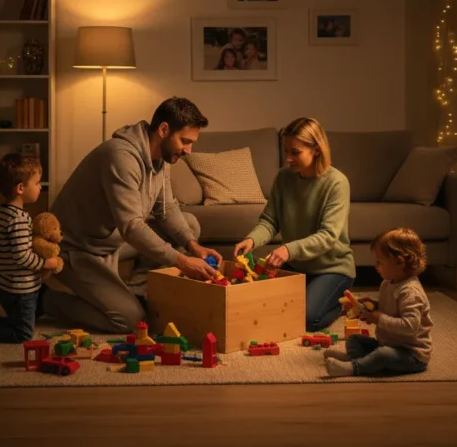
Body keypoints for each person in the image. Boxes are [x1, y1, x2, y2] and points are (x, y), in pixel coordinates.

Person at [41, 97, 220, 334]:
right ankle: (45, 300)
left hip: (113, 243)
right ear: (164, 130)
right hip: (77, 248)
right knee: (129, 321)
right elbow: (132, 227)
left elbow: (166, 209)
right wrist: (183, 262)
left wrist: (193, 246)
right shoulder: (121, 156)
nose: (189, 150)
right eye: (185, 141)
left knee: (189, 225)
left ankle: (136, 292)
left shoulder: (162, 158)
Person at [233, 117, 355, 332]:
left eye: (295, 152)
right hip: (296, 266)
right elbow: (270, 221)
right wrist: (251, 240)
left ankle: (342, 304)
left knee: (307, 320)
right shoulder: (283, 178)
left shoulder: (337, 183)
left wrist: (288, 250)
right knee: (258, 306)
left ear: (316, 149)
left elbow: (328, 236)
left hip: (332, 268)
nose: (288, 158)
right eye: (286, 151)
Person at [0, 154, 63, 342]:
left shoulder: (6, 212)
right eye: (37, 183)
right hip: (18, 289)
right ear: (20, 188)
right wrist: (46, 263)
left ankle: (29, 311)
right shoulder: (17, 220)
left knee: (32, 310)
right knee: (22, 333)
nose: (40, 187)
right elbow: (22, 257)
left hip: (9, 283)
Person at [324, 228, 432, 377]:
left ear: (399, 262)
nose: (376, 266)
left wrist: (379, 318)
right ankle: (359, 361)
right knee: (354, 339)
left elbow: (410, 327)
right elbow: (391, 308)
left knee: (383, 354)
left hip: (411, 354)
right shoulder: (387, 283)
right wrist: (373, 306)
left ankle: (353, 367)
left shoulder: (410, 292)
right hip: (388, 343)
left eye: (380, 262)